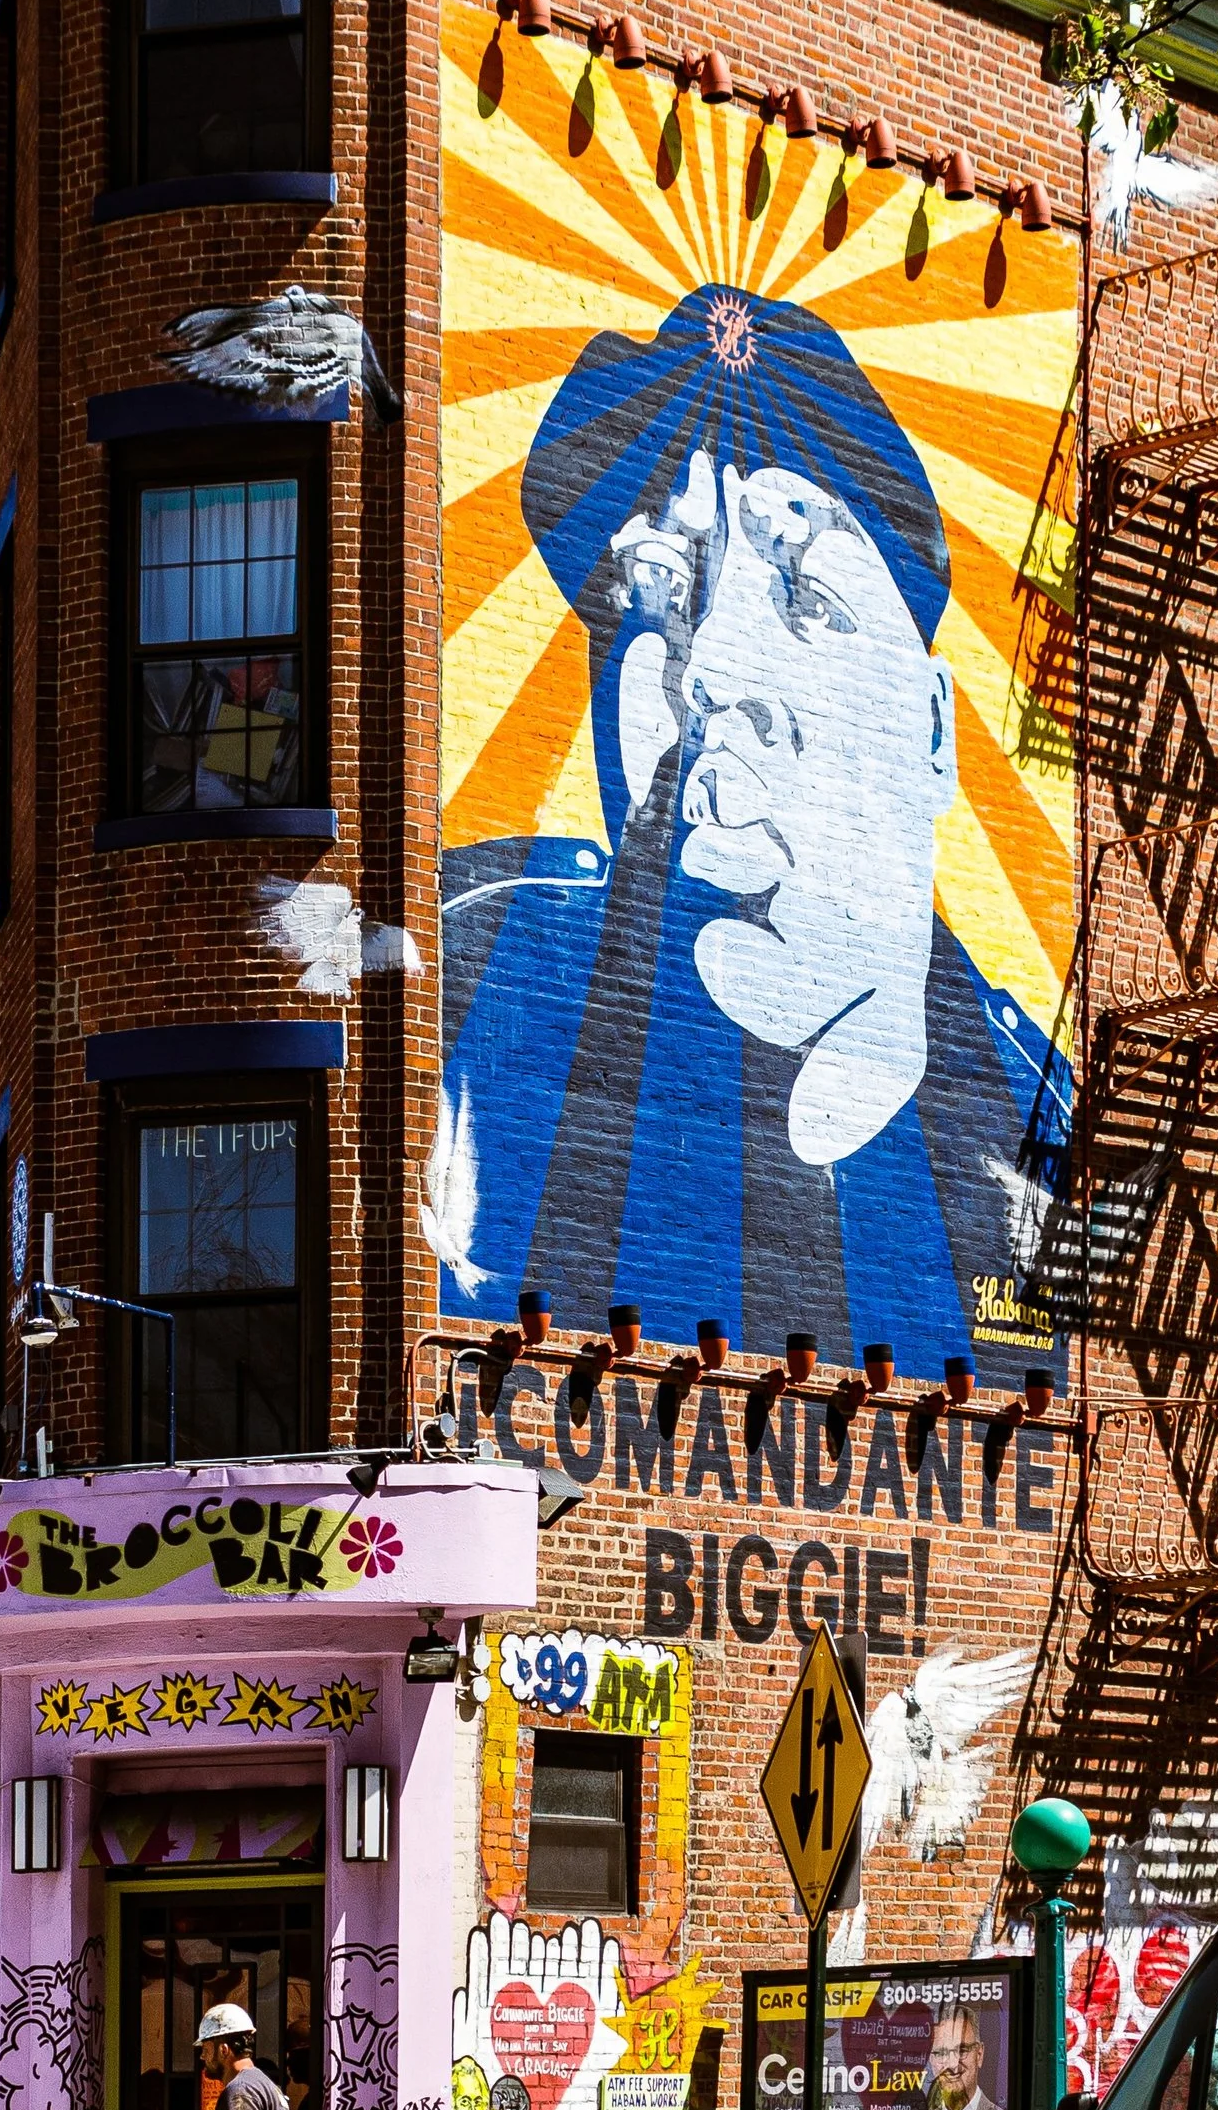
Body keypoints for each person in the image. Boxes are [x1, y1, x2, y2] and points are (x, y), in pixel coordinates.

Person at [436, 284, 1070, 1365]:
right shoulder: (462, 973)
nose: (712, 669)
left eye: (807, 598)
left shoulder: (1041, 1114)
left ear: (929, 733)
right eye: (655, 589)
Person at [904, 2005, 1008, 2110]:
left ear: (979, 2054)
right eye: (941, 2053)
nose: (952, 2064)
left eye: (962, 2050)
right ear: (932, 2061)